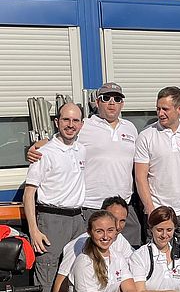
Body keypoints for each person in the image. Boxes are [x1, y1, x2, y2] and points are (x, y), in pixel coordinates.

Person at [27, 83, 142, 248]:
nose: (111, 102)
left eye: (117, 99)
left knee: (130, 254)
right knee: (93, 259)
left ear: (122, 103)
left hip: (124, 206)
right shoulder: (84, 125)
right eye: (106, 98)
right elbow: (58, 139)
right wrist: (36, 147)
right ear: (97, 102)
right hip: (92, 207)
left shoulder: (130, 128)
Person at [22, 102, 87, 292]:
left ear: (81, 123)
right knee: (43, 289)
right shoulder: (44, 153)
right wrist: (34, 230)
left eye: (76, 120)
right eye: (66, 119)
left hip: (78, 221)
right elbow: (29, 194)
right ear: (57, 121)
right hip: (51, 220)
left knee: (70, 290)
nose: (71, 125)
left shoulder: (82, 149)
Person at [134, 87, 180, 249]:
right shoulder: (146, 136)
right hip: (157, 212)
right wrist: (150, 209)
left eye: (165, 109)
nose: (160, 113)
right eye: (158, 108)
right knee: (156, 262)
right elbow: (140, 177)